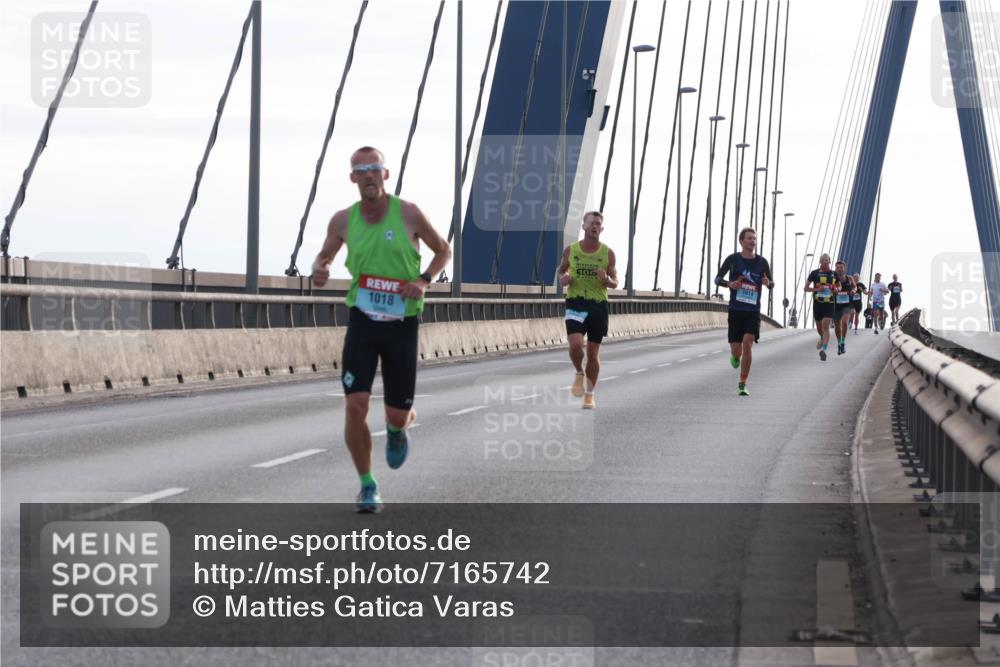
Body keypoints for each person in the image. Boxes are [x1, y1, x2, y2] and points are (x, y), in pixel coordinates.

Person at [312, 146, 452, 513]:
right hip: (362, 320)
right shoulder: (342, 220)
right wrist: (321, 268)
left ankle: (397, 427)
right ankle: (367, 485)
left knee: (395, 413)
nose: (369, 175)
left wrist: (422, 281)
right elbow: (323, 256)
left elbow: (443, 251)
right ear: (353, 178)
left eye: (375, 168)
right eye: (362, 170)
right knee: (355, 405)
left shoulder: (408, 213)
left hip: (401, 324)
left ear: (385, 175)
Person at [558, 211, 618, 409]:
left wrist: (606, 280)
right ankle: (578, 371)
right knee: (575, 346)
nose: (594, 226)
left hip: (597, 305)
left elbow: (615, 283)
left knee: (593, 352)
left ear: (602, 229)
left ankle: (589, 395)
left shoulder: (607, 253)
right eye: (591, 223)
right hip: (576, 302)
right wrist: (563, 278)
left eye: (598, 224)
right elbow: (562, 269)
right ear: (583, 227)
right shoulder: (571, 250)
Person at [714, 227, 774, 396]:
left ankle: (742, 383)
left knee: (748, 342)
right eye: (749, 238)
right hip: (735, 310)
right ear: (741, 241)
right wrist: (729, 284)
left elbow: (771, 283)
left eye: (754, 238)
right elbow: (717, 279)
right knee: (737, 350)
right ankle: (735, 356)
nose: (752, 241)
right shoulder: (733, 260)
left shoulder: (762, 262)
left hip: (752, 311)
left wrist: (767, 282)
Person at [805, 253, 837, 361]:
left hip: (829, 304)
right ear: (820, 261)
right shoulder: (814, 273)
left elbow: (839, 286)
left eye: (826, 260)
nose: (825, 262)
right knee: (820, 328)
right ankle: (822, 338)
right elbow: (806, 288)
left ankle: (824, 350)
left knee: (825, 326)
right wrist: (817, 290)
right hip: (818, 304)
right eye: (823, 260)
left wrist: (836, 289)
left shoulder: (834, 274)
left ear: (829, 261)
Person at [832, 261, 855, 355]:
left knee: (844, 322)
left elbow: (855, 287)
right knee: (837, 326)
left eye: (841, 267)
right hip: (835, 305)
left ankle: (843, 341)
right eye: (837, 267)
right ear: (835, 268)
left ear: (844, 268)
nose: (839, 269)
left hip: (846, 304)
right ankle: (839, 343)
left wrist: (854, 290)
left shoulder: (849, 278)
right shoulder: (832, 278)